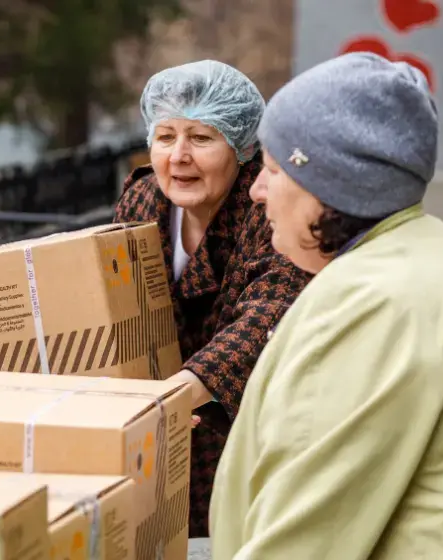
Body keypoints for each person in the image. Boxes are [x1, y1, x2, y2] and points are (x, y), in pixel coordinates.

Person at [211, 52, 443, 558]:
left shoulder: (376, 301)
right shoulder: (419, 260)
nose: (256, 190)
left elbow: (307, 536)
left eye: (273, 169)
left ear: (327, 186)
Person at [113, 60, 311, 536]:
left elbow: (267, 316)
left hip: (238, 431)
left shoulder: (266, 209)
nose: (178, 156)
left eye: (201, 138)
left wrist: (170, 397)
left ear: (242, 147)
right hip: (150, 431)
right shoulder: (143, 202)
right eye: (165, 137)